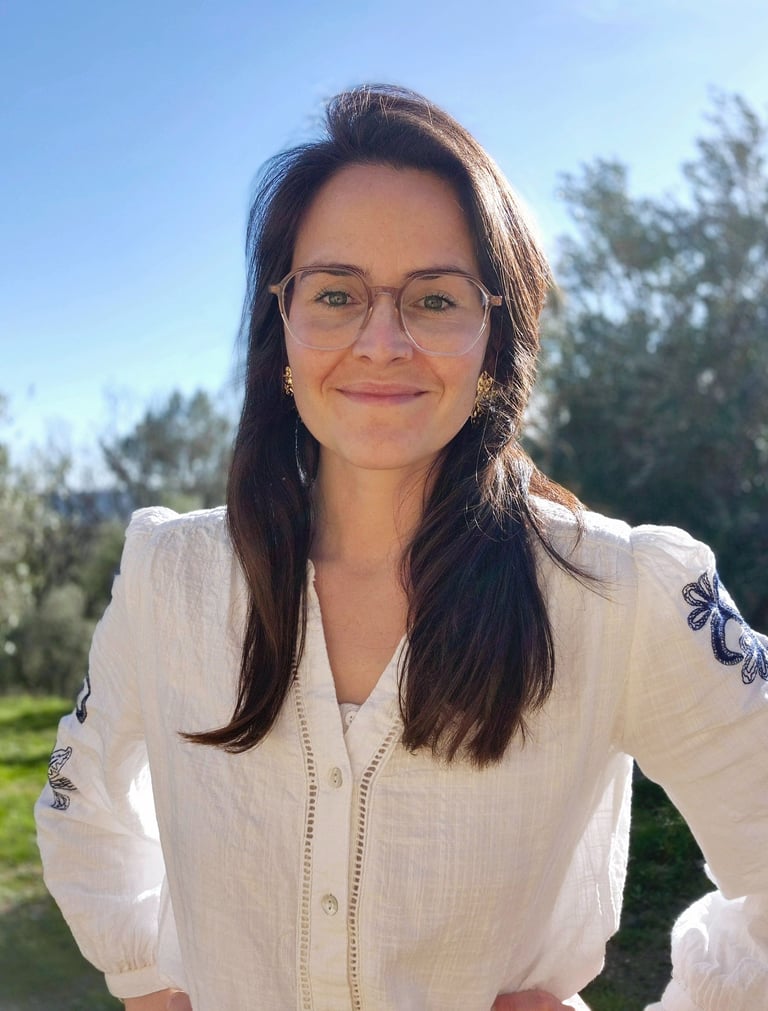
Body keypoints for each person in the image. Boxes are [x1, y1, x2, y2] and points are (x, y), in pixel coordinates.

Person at [35, 85, 767, 1011]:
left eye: (435, 298)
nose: (382, 343)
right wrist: (146, 981)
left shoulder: (621, 592)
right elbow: (80, 802)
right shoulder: (168, 576)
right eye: (337, 294)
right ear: (283, 327)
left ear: (495, 340)